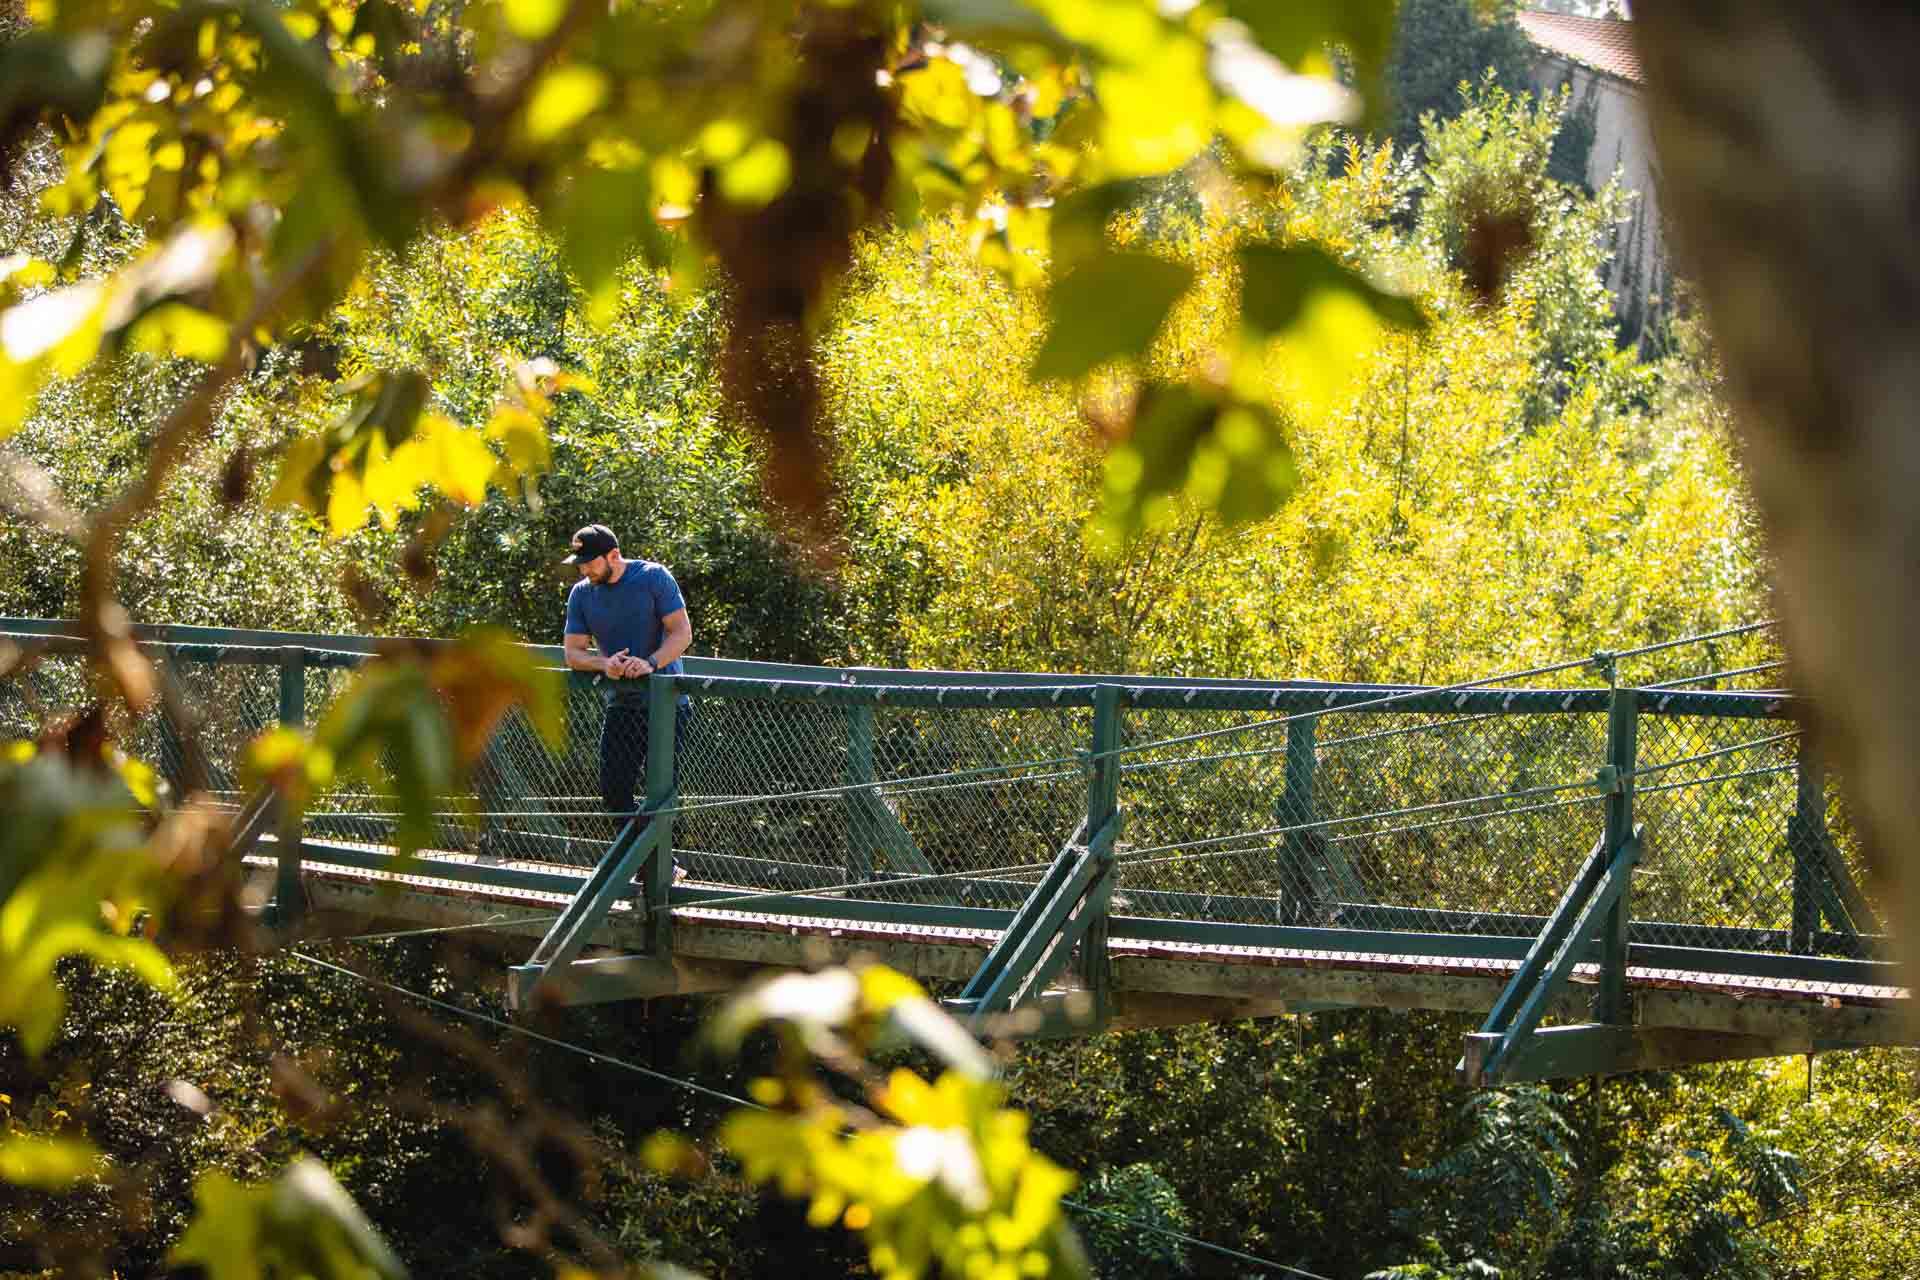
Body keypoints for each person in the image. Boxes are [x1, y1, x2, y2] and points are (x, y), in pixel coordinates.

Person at [561, 523, 693, 879]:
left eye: (590, 562)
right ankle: (659, 866)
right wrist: (605, 663)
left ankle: (655, 871)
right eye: (580, 563)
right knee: (614, 791)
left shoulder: (653, 577)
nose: (584, 570)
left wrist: (649, 662)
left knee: (658, 793)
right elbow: (573, 654)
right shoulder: (582, 594)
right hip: (622, 702)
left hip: (666, 703)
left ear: (614, 556)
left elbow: (682, 633)